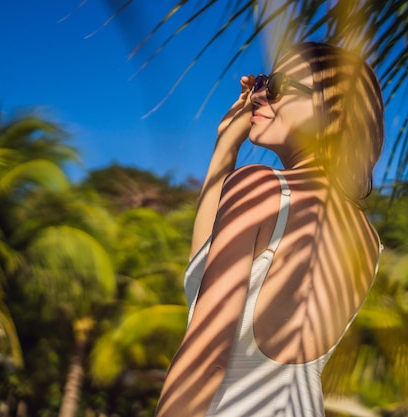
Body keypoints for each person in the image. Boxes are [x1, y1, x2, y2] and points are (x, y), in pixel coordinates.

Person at [154, 42, 385, 417]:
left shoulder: (260, 187)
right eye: (262, 81)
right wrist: (227, 139)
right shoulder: (367, 239)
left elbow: (207, 354)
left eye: (277, 86)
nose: (258, 95)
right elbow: (202, 266)